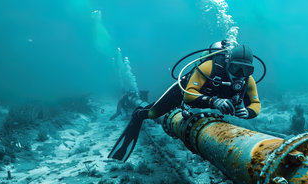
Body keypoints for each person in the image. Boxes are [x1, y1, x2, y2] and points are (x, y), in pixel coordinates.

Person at [108, 43, 261, 161]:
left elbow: (256, 104)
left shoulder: (248, 81)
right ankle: (139, 115)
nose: (240, 75)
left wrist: (248, 112)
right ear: (228, 63)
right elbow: (189, 95)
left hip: (206, 100)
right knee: (153, 113)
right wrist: (214, 102)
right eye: (236, 68)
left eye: (246, 70)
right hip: (183, 92)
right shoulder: (209, 67)